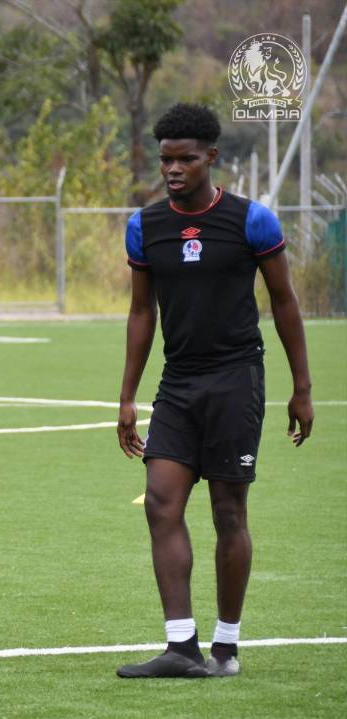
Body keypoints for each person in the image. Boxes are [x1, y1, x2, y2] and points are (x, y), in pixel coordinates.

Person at [116, 103, 313, 679]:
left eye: (185, 159)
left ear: (211, 158)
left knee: (228, 509)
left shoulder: (252, 221)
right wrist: (127, 397)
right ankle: (181, 646)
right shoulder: (145, 226)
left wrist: (302, 388)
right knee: (161, 501)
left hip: (236, 380)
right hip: (178, 382)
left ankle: (226, 646)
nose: (173, 169)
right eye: (165, 159)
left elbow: (284, 304)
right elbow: (140, 314)